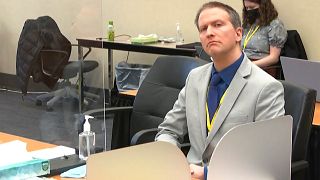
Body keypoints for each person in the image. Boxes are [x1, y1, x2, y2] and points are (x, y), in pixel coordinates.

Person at [155, 1, 285, 180]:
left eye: (217, 25)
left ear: (238, 33)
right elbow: (168, 131)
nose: (209, 32)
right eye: (203, 28)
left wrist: (207, 174)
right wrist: (174, 163)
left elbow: (267, 162)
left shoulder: (266, 88)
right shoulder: (194, 78)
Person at [241, 0, 287, 75]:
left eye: (252, 7)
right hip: (244, 63)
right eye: (247, 8)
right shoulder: (249, 24)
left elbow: (273, 58)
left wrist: (249, 65)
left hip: (262, 68)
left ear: (263, 6)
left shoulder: (275, 25)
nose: (249, 10)